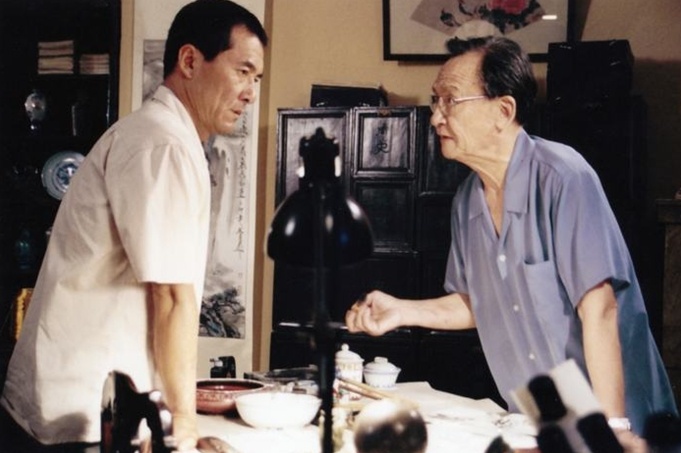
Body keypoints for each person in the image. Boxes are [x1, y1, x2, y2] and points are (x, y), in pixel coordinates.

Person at [345, 36, 678, 437]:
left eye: (450, 100)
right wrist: (402, 311)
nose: (435, 118)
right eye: (435, 101)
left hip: (620, 417)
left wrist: (614, 426)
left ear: (503, 111)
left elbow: (600, 309)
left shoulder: (562, 176)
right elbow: (479, 303)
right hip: (545, 417)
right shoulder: (467, 201)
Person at [0, 1, 266, 451]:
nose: (251, 93)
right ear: (189, 61)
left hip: (89, 401)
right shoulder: (161, 143)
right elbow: (171, 296)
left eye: (256, 78)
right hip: (79, 410)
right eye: (242, 71)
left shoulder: (164, 135)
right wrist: (183, 426)